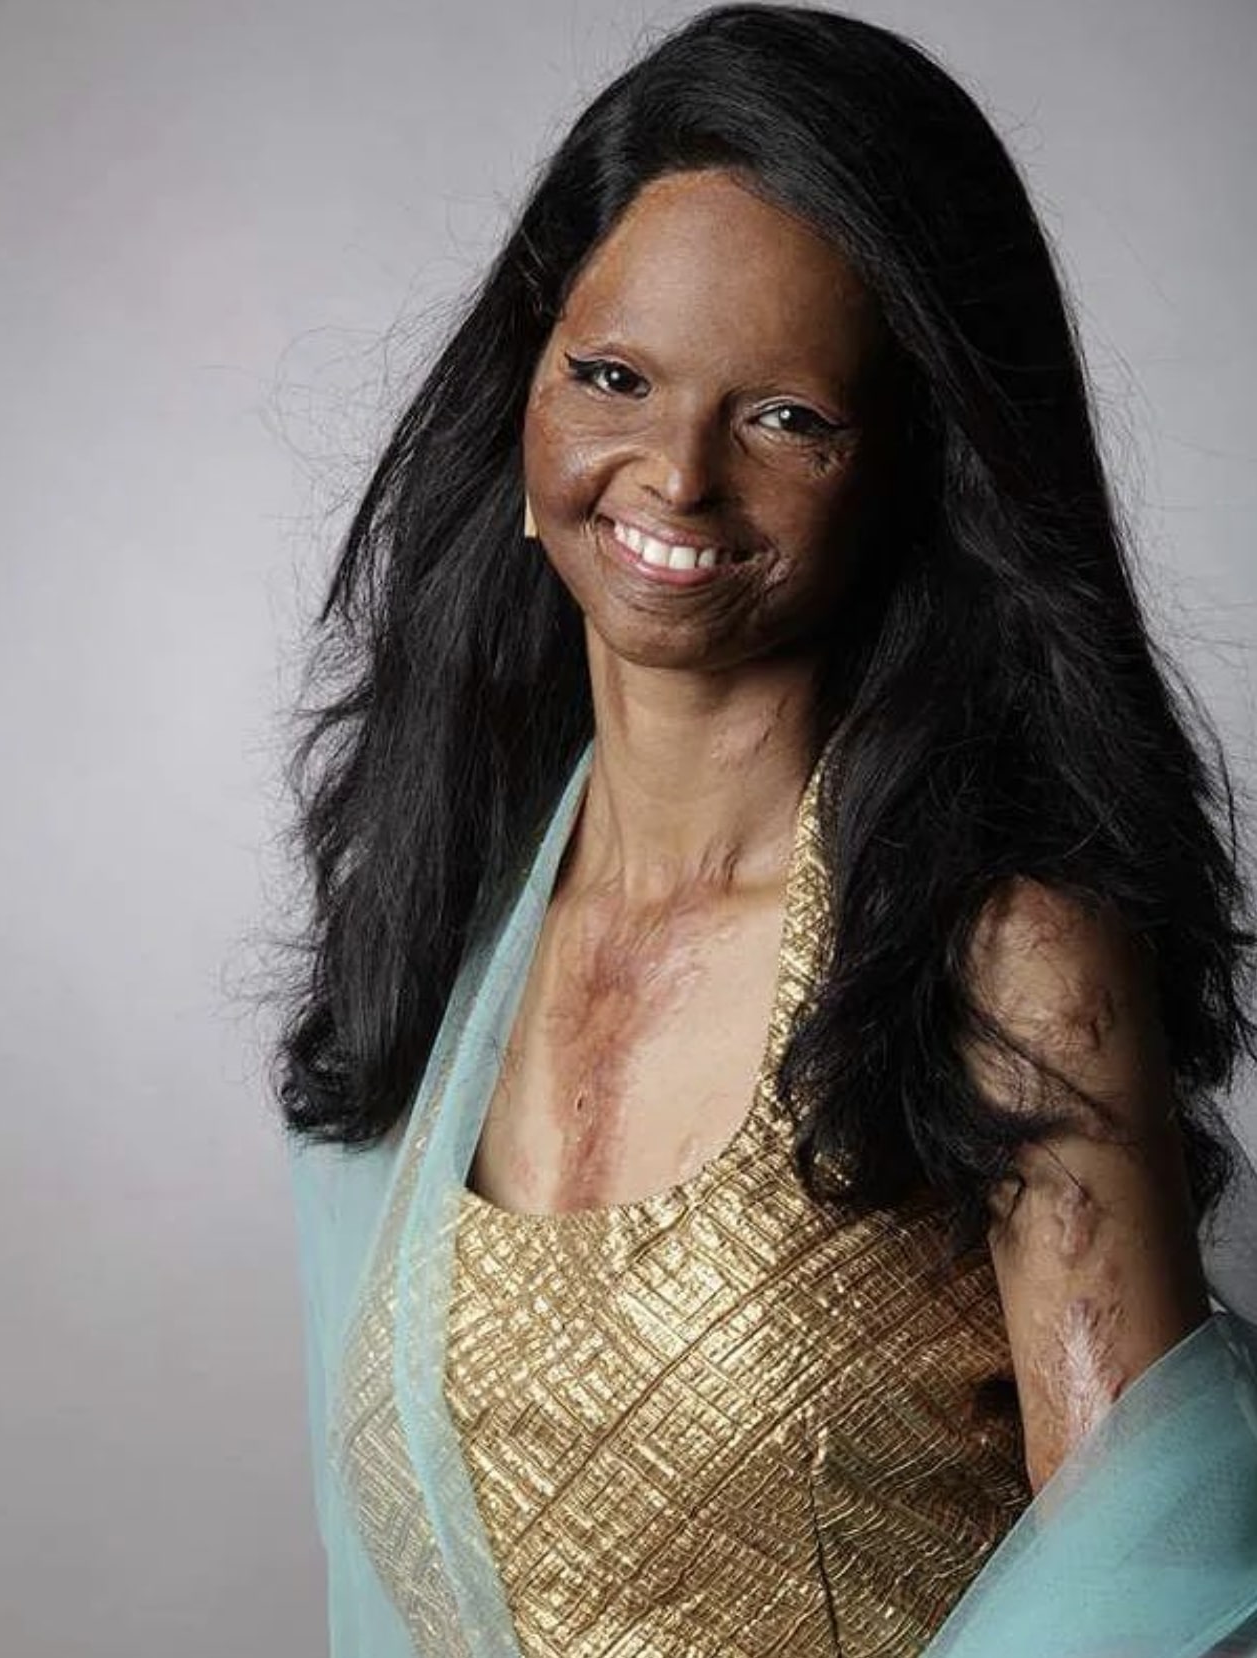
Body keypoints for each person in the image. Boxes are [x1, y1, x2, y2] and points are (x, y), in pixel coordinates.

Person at [276, 6, 1257, 1655]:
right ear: (523, 394)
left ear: (916, 472)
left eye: (788, 416)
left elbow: (1154, 1587)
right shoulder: (440, 928)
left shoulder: (1004, 958)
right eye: (612, 377)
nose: (675, 475)